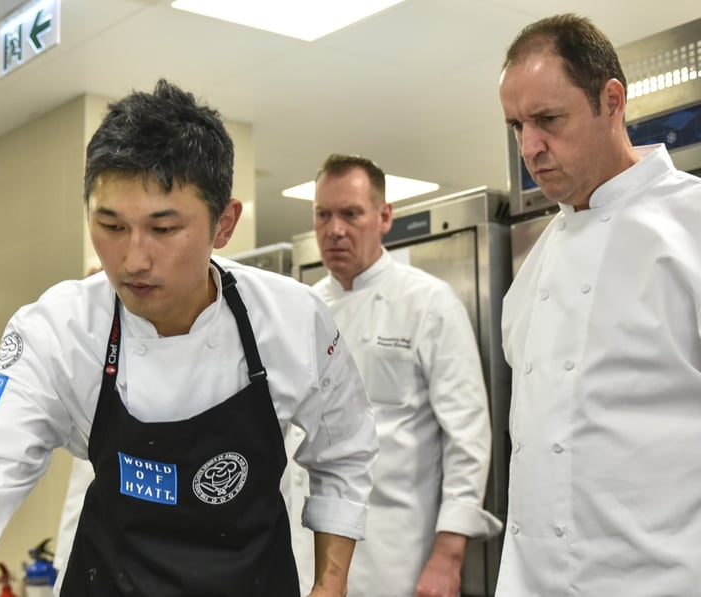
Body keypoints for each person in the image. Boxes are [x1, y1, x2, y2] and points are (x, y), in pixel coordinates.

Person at [0, 79, 379, 597]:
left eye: (163, 228)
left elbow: (345, 453)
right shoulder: (57, 330)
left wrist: (330, 586)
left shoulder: (291, 319)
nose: (132, 259)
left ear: (224, 225)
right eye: (110, 226)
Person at [497, 14, 701, 595]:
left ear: (611, 100)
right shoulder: (535, 264)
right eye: (516, 126)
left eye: (548, 120)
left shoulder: (691, 226)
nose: (529, 147)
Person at [284, 154, 501, 597]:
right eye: (323, 215)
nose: (335, 229)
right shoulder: (298, 309)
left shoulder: (428, 304)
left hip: (396, 557)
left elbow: (468, 436)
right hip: (305, 552)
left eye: (350, 214)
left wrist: (449, 553)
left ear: (384, 217)